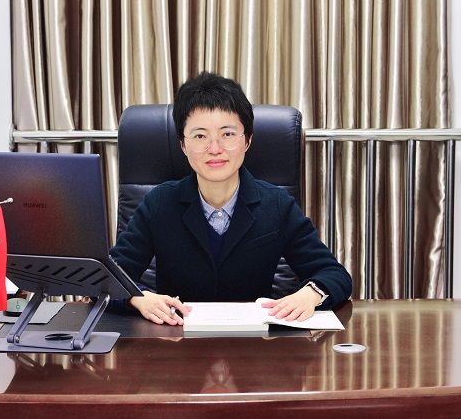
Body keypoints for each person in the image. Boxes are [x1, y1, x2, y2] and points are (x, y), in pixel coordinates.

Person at [109, 72, 352, 325]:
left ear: (247, 140)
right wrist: (138, 297)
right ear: (183, 145)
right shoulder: (159, 203)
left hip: (254, 340)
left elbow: (334, 274)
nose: (215, 149)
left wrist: (309, 295)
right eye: (200, 136)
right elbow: (110, 277)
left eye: (227, 134)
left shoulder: (277, 205)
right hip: (176, 338)